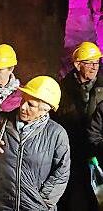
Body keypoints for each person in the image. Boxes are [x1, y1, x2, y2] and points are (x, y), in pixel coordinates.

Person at [0, 76, 70, 210]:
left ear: (45, 110)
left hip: (34, 207)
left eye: (31, 104)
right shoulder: (4, 121)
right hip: (2, 205)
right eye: (23, 100)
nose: (23, 107)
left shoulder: (57, 134)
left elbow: (61, 173)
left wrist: (42, 202)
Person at [56, 41, 103, 211]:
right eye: (89, 63)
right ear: (77, 64)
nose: (94, 67)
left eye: (97, 62)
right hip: (71, 155)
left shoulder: (102, 87)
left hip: (97, 155)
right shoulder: (63, 89)